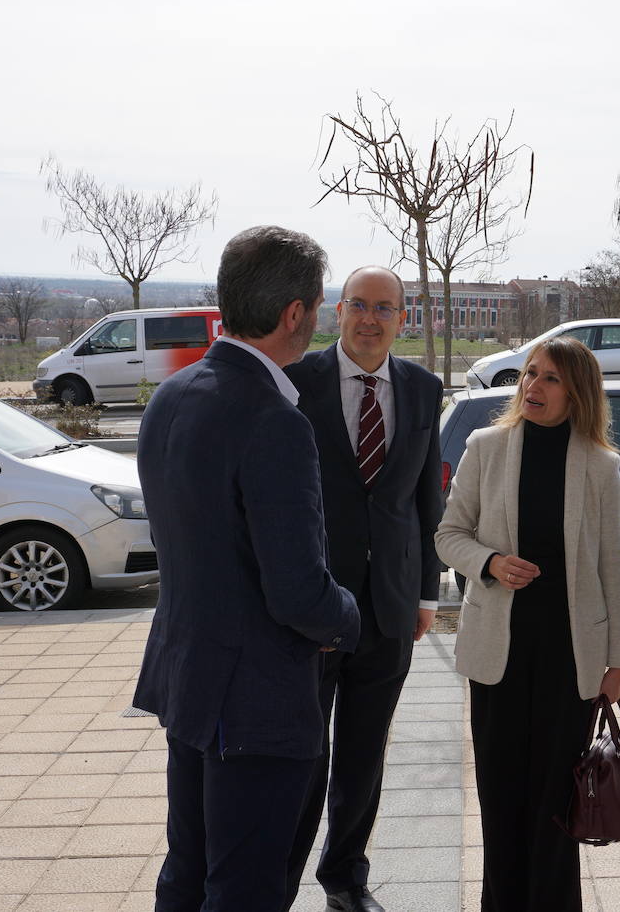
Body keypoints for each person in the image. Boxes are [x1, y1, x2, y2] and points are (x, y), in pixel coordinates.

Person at [132, 225, 361, 912]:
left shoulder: (174, 393)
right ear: (294, 314)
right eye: (317, 306)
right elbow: (297, 591)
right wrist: (348, 618)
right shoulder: (272, 419)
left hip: (190, 678)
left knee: (187, 872)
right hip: (255, 701)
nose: (318, 318)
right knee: (244, 889)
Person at [435, 336, 620, 912]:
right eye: (529, 374)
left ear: (577, 392)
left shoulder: (600, 465)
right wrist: (490, 563)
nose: (532, 386)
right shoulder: (486, 447)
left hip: (570, 658)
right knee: (500, 800)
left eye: (549, 378)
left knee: (555, 803)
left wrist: (616, 661)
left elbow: (613, 565)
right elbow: (449, 535)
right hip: (497, 653)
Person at [283, 266, 444, 912]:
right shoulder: (295, 382)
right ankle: (277, 880)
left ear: (403, 318)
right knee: (302, 755)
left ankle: (345, 877)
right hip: (313, 606)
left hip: (390, 607)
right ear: (338, 312)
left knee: (363, 756)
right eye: (359, 305)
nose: (370, 319)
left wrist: (427, 594)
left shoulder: (423, 389)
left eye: (384, 308)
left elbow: (426, 500)